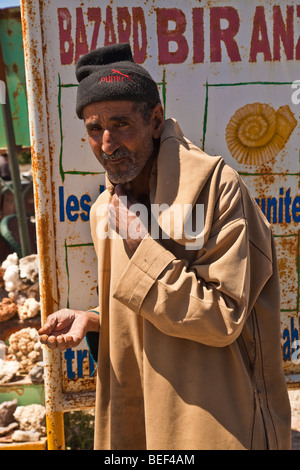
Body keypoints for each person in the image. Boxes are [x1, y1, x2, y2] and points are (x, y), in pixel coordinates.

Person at [39, 43, 291, 450]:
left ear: (155, 120)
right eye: (93, 128)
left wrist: (142, 243)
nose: (107, 143)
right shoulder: (107, 209)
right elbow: (147, 308)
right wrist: (95, 318)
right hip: (139, 418)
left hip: (215, 422)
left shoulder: (215, 190)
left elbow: (222, 317)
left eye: (121, 124)